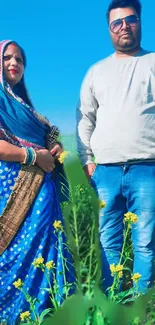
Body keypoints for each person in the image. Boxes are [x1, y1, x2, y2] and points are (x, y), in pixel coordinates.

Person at [76, 0, 155, 294]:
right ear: (109, 29)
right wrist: (86, 159)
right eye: (116, 23)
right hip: (106, 171)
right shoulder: (96, 72)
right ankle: (114, 298)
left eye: (130, 19)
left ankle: (139, 304)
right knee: (107, 239)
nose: (124, 26)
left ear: (140, 22)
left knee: (144, 241)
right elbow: (85, 118)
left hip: (148, 168)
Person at [0, 40, 74, 324]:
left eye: (19, 59)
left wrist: (53, 148)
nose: (14, 63)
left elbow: (48, 133)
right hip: (13, 189)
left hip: (43, 192)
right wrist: (32, 155)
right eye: (7, 58)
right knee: (14, 252)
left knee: (46, 248)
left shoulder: (25, 107)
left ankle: (48, 311)